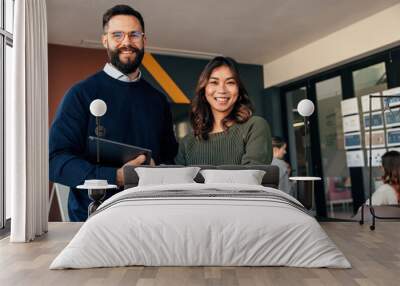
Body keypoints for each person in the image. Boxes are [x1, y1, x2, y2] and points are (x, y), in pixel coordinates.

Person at [49, 5, 178, 221]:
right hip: (94, 221)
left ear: (144, 40)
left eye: (134, 34)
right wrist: (116, 176)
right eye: (117, 35)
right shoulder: (80, 94)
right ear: (105, 41)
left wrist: (159, 170)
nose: (126, 42)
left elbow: (170, 158)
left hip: (151, 218)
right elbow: (55, 161)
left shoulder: (158, 100)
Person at [175, 56, 272, 165]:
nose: (222, 90)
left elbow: (252, 176)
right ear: (204, 90)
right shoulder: (187, 143)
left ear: (239, 89)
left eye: (230, 82)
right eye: (214, 82)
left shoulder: (254, 126)